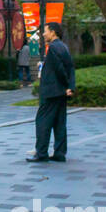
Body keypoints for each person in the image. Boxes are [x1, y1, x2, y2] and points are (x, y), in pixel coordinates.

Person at [28, 21, 75, 163]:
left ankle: (41, 153)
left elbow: (60, 70)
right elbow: (70, 68)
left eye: (46, 31)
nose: (43, 34)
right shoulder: (64, 47)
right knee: (59, 123)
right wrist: (70, 87)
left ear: (53, 32)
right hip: (61, 92)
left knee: (42, 121)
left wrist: (65, 84)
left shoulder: (53, 48)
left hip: (52, 91)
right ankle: (60, 153)